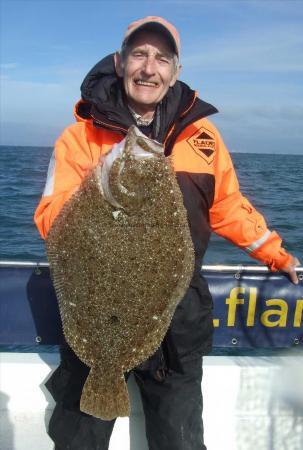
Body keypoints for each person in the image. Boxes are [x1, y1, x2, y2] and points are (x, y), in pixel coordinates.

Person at [34, 16, 300, 450]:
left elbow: (228, 206)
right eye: (139, 54)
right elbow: (50, 218)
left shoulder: (202, 136)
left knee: (180, 442)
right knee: (78, 441)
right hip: (98, 310)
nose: (149, 67)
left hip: (176, 322)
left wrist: (277, 254)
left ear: (176, 70)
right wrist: (96, 195)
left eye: (162, 58)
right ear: (120, 63)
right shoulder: (80, 137)